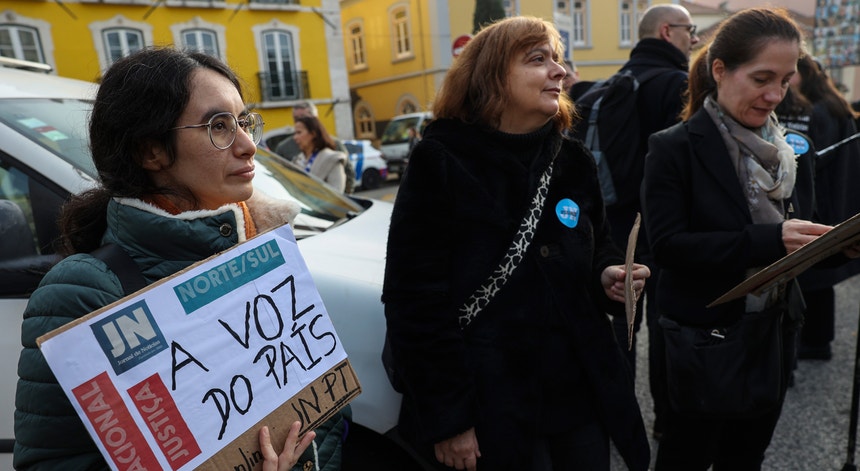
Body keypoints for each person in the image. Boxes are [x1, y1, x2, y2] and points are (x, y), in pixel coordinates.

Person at [12, 47, 347, 471]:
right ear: (151, 151)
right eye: (219, 126)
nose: (248, 146)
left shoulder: (267, 243)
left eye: (244, 122)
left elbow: (326, 417)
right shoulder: (82, 292)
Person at [382, 16, 651, 471]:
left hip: (578, 394)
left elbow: (598, 244)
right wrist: (450, 420)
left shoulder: (572, 159)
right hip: (492, 406)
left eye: (558, 59)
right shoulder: (441, 161)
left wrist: (608, 274)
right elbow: (415, 302)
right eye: (538, 59)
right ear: (491, 76)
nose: (559, 71)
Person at [640, 8, 832, 469]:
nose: (775, 95)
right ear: (720, 70)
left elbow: (799, 235)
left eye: (785, 80)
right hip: (703, 339)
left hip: (772, 333)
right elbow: (668, 247)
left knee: (747, 458)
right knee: (685, 457)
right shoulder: (674, 147)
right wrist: (770, 239)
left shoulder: (791, 151)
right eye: (762, 78)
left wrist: (836, 245)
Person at [605, 2, 699, 440]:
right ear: (666, 31)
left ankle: (618, 420)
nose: (693, 39)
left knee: (621, 326)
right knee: (664, 323)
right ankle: (666, 421)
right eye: (689, 30)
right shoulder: (677, 84)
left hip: (613, 224)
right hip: (660, 227)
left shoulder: (613, 82)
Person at [776, 55, 860, 361]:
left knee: (813, 276)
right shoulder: (833, 104)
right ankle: (818, 341)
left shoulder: (816, 110)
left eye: (789, 75)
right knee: (821, 277)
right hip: (837, 200)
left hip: (821, 202)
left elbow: (810, 161)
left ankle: (814, 342)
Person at [275, 101, 347, 162]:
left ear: (315, 119)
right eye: (296, 119)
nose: (299, 122)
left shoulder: (333, 144)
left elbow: (348, 171)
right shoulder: (284, 148)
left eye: (303, 117)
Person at [294, 115, 348, 192]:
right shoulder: (298, 160)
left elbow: (337, 192)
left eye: (299, 132)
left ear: (313, 134)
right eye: (295, 133)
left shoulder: (331, 159)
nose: (295, 137)